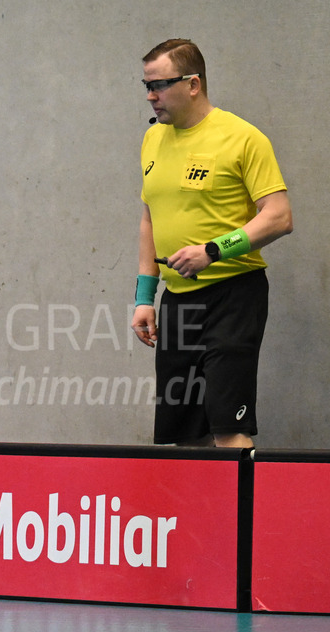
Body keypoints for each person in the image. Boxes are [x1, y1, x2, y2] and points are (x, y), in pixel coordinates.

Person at [130, 39, 293, 448]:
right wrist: (145, 297)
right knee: (186, 432)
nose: (151, 96)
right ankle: (201, 514)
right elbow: (150, 219)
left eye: (160, 85)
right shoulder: (153, 140)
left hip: (233, 297)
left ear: (193, 84)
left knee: (227, 425)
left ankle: (243, 512)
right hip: (178, 300)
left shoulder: (242, 138)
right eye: (146, 85)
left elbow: (279, 216)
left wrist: (213, 250)